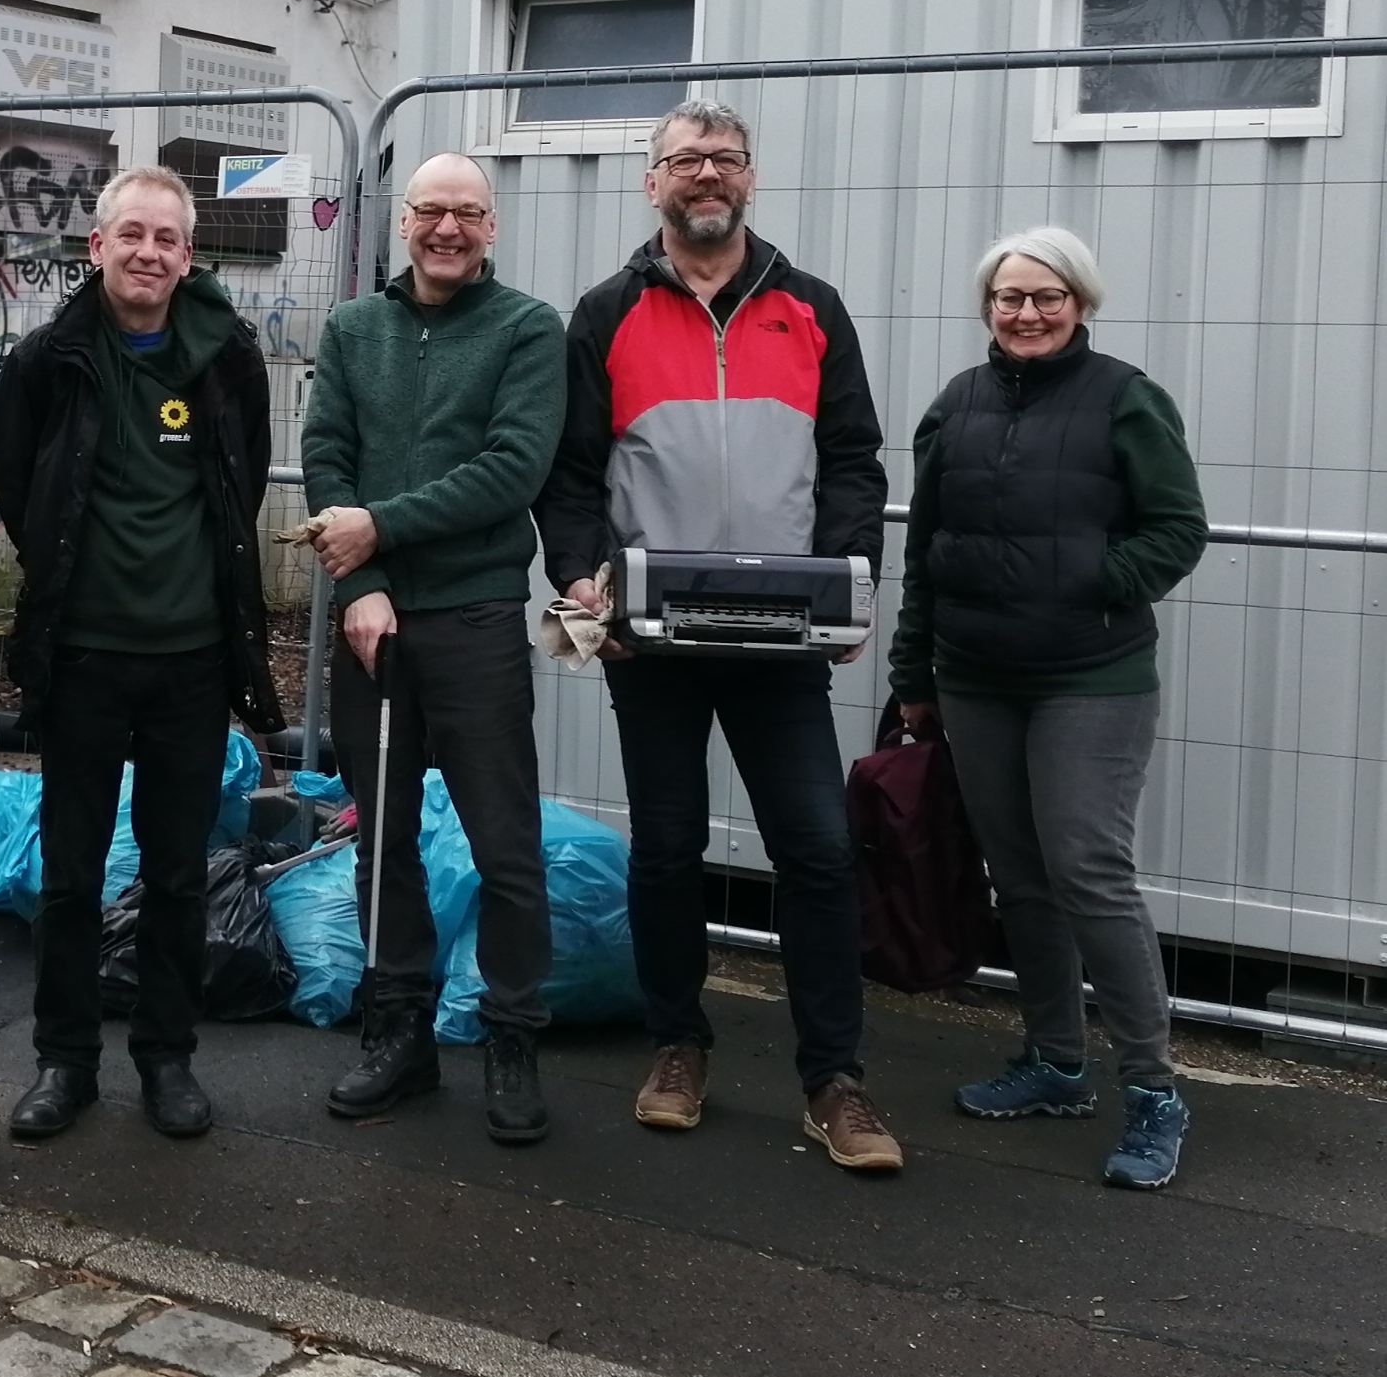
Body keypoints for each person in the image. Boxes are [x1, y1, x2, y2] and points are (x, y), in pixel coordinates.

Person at [534, 99, 900, 1171]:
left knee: (819, 851)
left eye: (724, 158)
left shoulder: (810, 306)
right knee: (665, 847)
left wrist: (842, 584)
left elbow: (851, 460)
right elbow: (567, 474)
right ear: (650, 182)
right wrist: (578, 577)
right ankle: (675, 1044)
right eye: (685, 158)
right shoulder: (604, 312)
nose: (706, 173)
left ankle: (833, 1077)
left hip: (781, 640)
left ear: (749, 178)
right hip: (652, 636)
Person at [888, 227, 1206, 1191]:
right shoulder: (957, 403)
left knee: (1086, 869)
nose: (1026, 313)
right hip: (976, 679)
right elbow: (925, 547)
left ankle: (1152, 1090)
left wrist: (1093, 581)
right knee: (1018, 878)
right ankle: (1055, 1063)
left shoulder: (1124, 398)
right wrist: (915, 672)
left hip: (1089, 675)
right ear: (988, 306)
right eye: (1008, 297)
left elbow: (1177, 526)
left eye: (1046, 296)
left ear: (1079, 300)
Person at [0, 165, 284, 1143]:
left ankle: (166, 1057)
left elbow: (237, 490)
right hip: (81, 657)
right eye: (131, 234)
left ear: (186, 256)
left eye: (166, 238)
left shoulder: (227, 359)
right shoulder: (46, 359)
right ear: (96, 247)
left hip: (191, 662)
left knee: (176, 870)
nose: (148, 252)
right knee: (70, 872)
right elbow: (22, 486)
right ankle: (63, 1061)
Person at [301, 152, 564, 1144]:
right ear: (400, 222)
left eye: (466, 212)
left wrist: (378, 529)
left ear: (490, 226)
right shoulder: (351, 327)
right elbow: (325, 451)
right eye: (428, 211)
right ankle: (397, 1029)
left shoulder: (527, 329)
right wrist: (360, 581)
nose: (446, 228)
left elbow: (511, 468)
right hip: (374, 627)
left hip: (475, 620)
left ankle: (509, 1035)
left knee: (504, 842)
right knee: (382, 839)